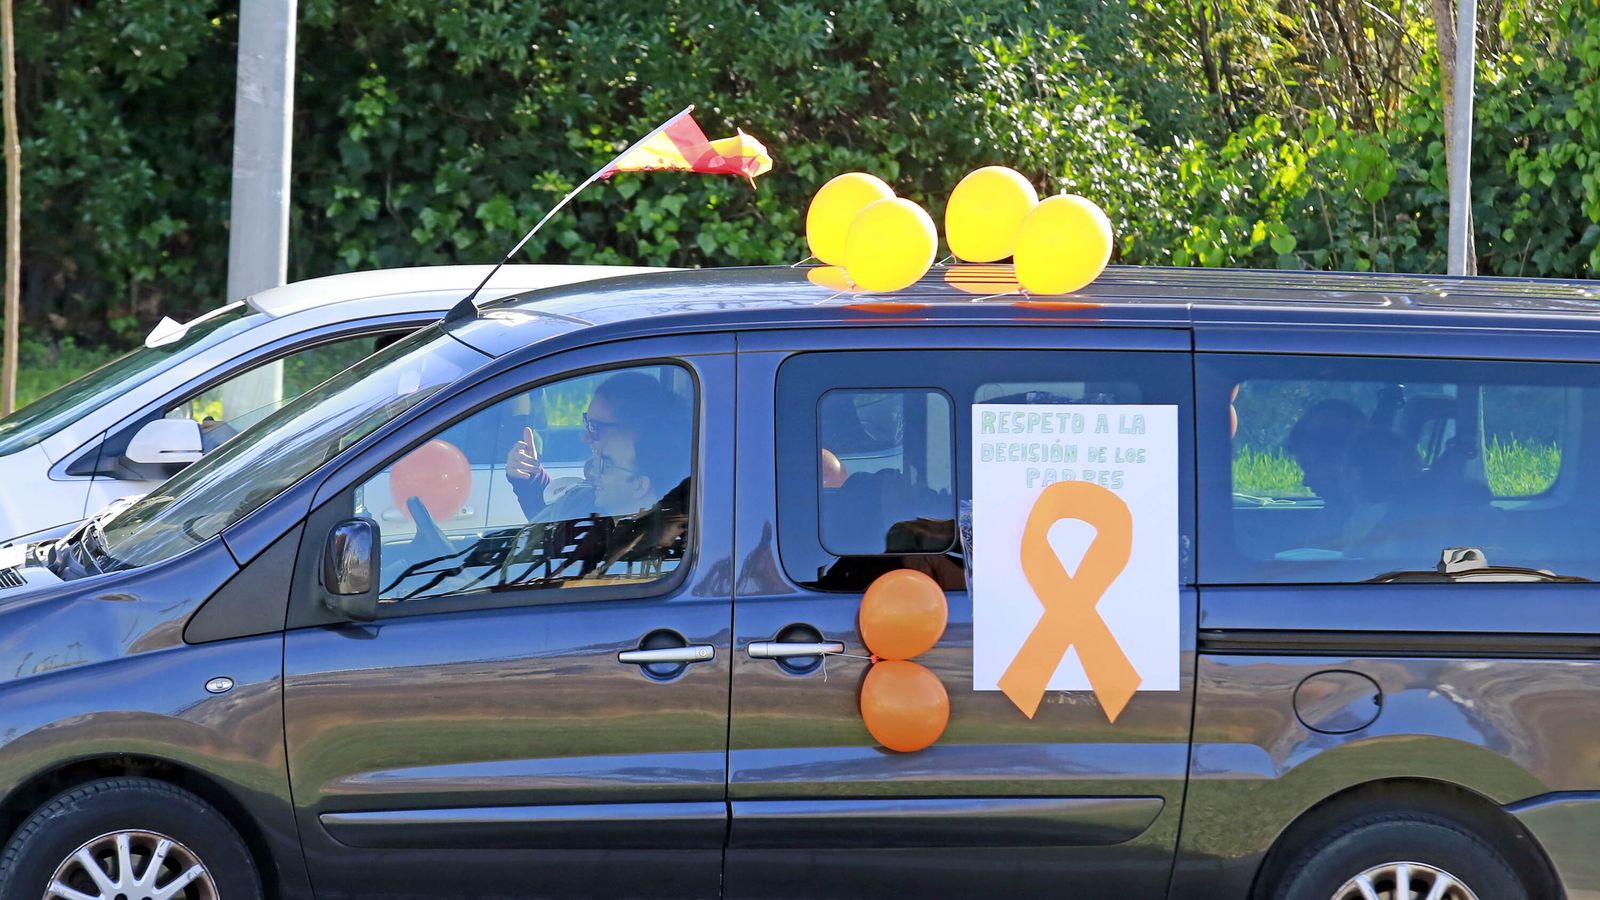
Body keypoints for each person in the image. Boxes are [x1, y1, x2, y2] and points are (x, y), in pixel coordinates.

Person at [504, 371, 688, 522]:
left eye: (596, 427)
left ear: (633, 431)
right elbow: (555, 528)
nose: (585, 437)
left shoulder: (657, 538)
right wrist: (530, 478)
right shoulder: (599, 497)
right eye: (587, 423)